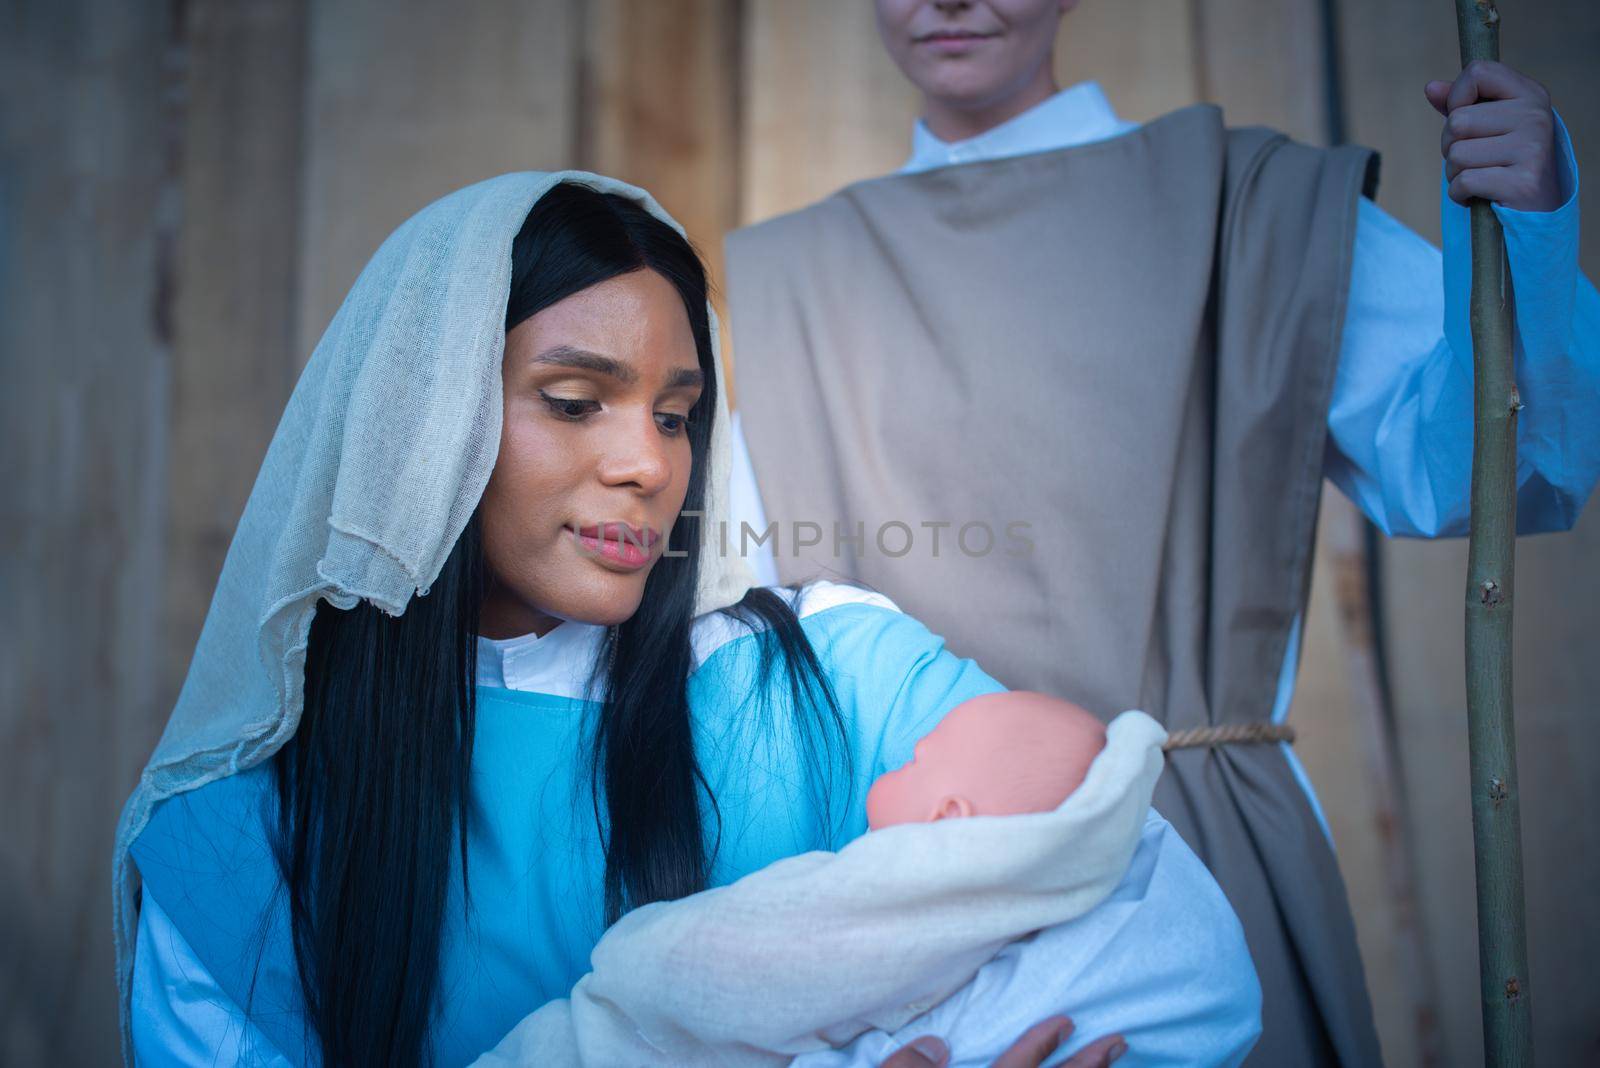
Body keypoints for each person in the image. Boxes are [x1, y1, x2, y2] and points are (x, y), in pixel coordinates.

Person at [113, 173, 1254, 1068]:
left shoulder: (843, 667)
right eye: (574, 402)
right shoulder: (242, 822)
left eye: (677, 414)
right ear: (421, 418)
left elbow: (1169, 953)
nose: (647, 461)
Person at [722, 2, 1600, 1065]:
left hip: (1190, 876)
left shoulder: (1250, 208)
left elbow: (1493, 473)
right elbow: (736, 629)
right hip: (903, 930)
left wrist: (1532, 227)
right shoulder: (790, 282)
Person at [470, 698, 1260, 1067]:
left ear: (952, 818)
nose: (893, 762)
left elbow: (763, 957)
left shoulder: (915, 889)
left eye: (916, 760)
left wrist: (643, 958)